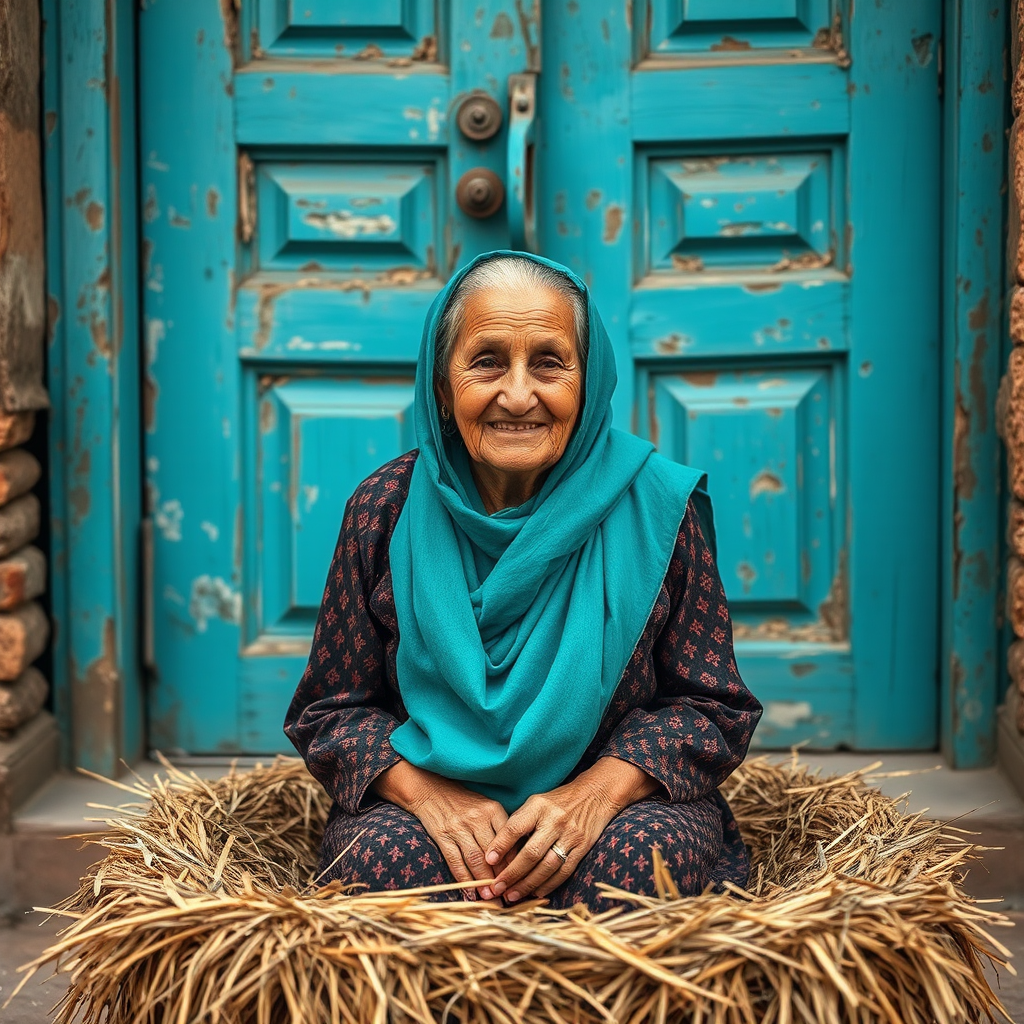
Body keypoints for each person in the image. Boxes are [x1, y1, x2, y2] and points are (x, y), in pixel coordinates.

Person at [284, 251, 762, 908]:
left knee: (636, 873)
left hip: (615, 808)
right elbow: (330, 711)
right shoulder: (384, 510)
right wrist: (430, 799)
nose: (516, 395)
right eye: (486, 361)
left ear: (588, 383)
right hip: (430, 807)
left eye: (549, 362)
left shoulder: (658, 507)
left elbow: (712, 708)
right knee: (388, 870)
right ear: (443, 388)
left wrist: (595, 795)